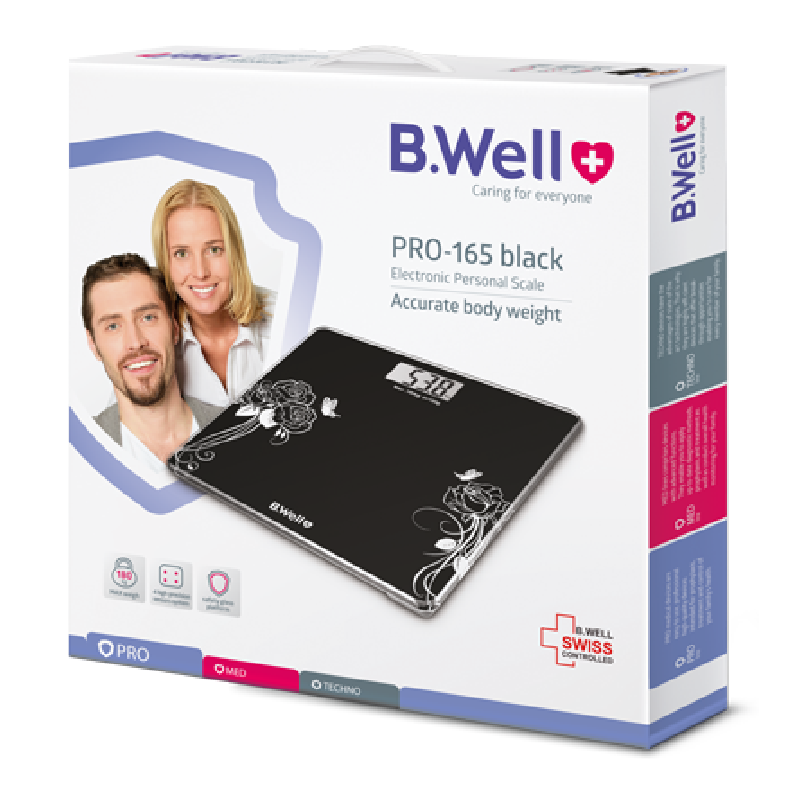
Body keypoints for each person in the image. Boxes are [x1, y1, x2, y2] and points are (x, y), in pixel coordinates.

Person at [82, 253, 221, 473]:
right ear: (93, 344)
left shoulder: (241, 431)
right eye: (113, 326)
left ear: (174, 328)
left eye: (147, 317)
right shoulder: (76, 457)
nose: (135, 342)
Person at [151, 179, 273, 406]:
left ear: (234, 252)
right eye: (181, 253)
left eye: (214, 249)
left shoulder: (288, 319)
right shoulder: (153, 342)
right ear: (165, 262)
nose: (200, 272)